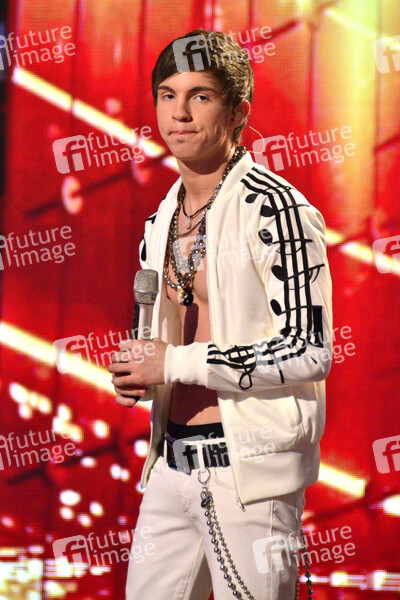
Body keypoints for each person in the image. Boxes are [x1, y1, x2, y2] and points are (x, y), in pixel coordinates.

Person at [108, 28, 333, 600]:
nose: (179, 114)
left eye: (200, 96)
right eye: (167, 95)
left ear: (238, 112)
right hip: (169, 465)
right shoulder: (161, 218)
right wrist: (141, 373)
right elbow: (160, 345)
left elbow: (308, 349)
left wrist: (174, 363)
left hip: (251, 477)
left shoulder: (275, 208)